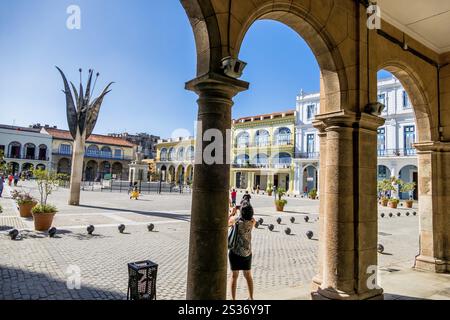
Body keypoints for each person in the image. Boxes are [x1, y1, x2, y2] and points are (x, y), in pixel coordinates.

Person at [228, 200, 256, 300]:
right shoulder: (252, 221)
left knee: (234, 276)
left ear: (242, 212)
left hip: (236, 252)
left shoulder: (237, 221)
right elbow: (249, 218)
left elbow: (226, 223)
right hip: (247, 252)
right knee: (248, 275)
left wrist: (232, 212)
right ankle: (251, 298)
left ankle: (233, 299)